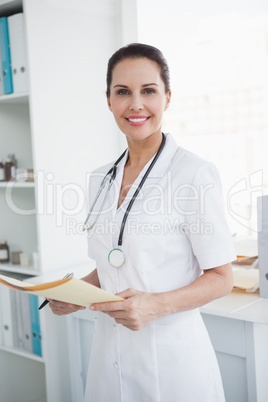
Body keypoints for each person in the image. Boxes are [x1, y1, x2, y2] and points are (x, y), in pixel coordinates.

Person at [49, 43, 236, 402]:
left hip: (174, 364)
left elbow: (221, 278)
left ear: (167, 98)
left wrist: (157, 305)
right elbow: (112, 265)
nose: (136, 104)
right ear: (108, 101)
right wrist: (73, 295)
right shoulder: (100, 179)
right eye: (123, 92)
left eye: (148, 91)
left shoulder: (193, 174)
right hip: (109, 358)